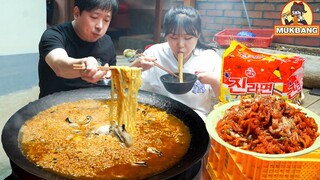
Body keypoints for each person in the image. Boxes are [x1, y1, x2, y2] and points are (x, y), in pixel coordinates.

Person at [130, 6, 222, 120]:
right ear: (166, 35)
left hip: (197, 117)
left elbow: (226, 99)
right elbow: (131, 91)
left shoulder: (210, 58)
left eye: (188, 38)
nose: (180, 44)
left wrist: (214, 81)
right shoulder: (154, 53)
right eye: (173, 37)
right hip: (160, 114)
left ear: (198, 35)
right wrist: (133, 68)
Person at [38, 0, 119, 98]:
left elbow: (111, 79)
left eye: (106, 20)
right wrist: (83, 65)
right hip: (54, 105)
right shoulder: (54, 35)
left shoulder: (107, 42)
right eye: (94, 17)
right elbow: (59, 65)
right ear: (76, 13)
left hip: (94, 105)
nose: (100, 26)